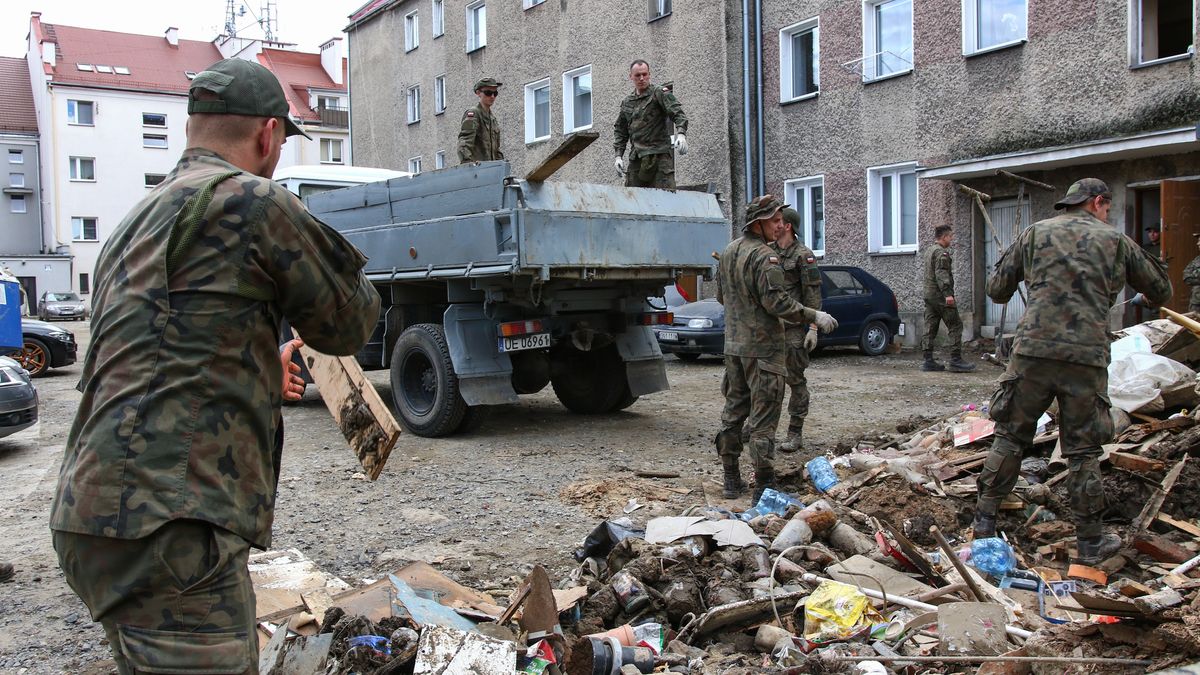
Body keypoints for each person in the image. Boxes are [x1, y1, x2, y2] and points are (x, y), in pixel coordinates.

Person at [49, 58, 381, 674]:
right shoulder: (253, 203)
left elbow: (160, 347)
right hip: (169, 529)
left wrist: (260, 355)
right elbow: (350, 321)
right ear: (268, 134)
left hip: (91, 516)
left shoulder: (133, 223)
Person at [972, 178, 1171, 565]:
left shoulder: (1034, 234)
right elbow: (1161, 290)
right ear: (1098, 202)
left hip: (1033, 353)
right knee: (1083, 451)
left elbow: (996, 289)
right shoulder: (1115, 241)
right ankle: (1091, 542)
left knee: (1011, 436)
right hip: (1086, 357)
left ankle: (983, 522)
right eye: (1107, 207)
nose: (1107, 213)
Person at [716, 195, 838, 502]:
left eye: (781, 220)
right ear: (758, 223)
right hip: (764, 350)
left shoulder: (730, 251)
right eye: (774, 220)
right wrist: (815, 317)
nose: (779, 225)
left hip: (734, 346)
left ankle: (731, 478)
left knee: (733, 413)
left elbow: (721, 296)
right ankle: (764, 487)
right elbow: (777, 303)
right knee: (763, 421)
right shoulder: (765, 257)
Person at [771, 207, 823, 453]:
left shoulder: (804, 255)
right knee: (766, 380)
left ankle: (795, 432)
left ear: (788, 225)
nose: (774, 224)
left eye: (778, 221)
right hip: (770, 328)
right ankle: (759, 427)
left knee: (795, 381)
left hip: (793, 330)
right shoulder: (768, 252)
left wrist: (813, 328)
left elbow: (812, 294)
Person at [613, 60, 689, 189]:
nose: (642, 78)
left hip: (659, 156)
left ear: (649, 74)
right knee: (632, 199)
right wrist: (618, 156)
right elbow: (620, 130)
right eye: (637, 75)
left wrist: (681, 134)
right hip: (637, 157)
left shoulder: (659, 93)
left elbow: (678, 114)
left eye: (645, 74)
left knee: (666, 196)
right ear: (631, 76)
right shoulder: (627, 102)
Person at [921, 224, 975, 373]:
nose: (951, 239)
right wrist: (948, 294)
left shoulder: (929, 251)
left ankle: (928, 360)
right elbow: (941, 274)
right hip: (940, 296)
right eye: (950, 236)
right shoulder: (941, 253)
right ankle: (956, 360)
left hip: (929, 295)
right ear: (944, 237)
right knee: (955, 325)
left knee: (930, 327)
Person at [458, 77, 504, 163]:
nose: (492, 96)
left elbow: (496, 150)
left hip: (491, 169)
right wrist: (468, 165)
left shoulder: (492, 119)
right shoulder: (473, 114)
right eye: (488, 93)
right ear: (478, 93)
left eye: (495, 93)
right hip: (478, 170)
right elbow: (464, 143)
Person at [1184, 233, 1200, 314]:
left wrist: (1195, 274)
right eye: (1198, 241)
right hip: (1196, 302)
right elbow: (1186, 277)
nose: (1198, 243)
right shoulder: (1197, 260)